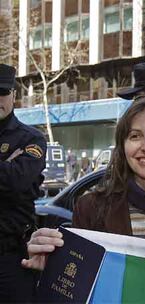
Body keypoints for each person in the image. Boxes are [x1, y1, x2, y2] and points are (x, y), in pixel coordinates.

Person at [22, 95, 145, 270]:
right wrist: (54, 267)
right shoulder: (92, 209)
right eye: (135, 136)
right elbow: (79, 283)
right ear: (123, 147)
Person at [0, 64, 46, 302]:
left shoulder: (31, 138)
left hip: (11, 258)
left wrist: (10, 173)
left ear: (14, 95)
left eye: (2, 92)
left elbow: (17, 180)